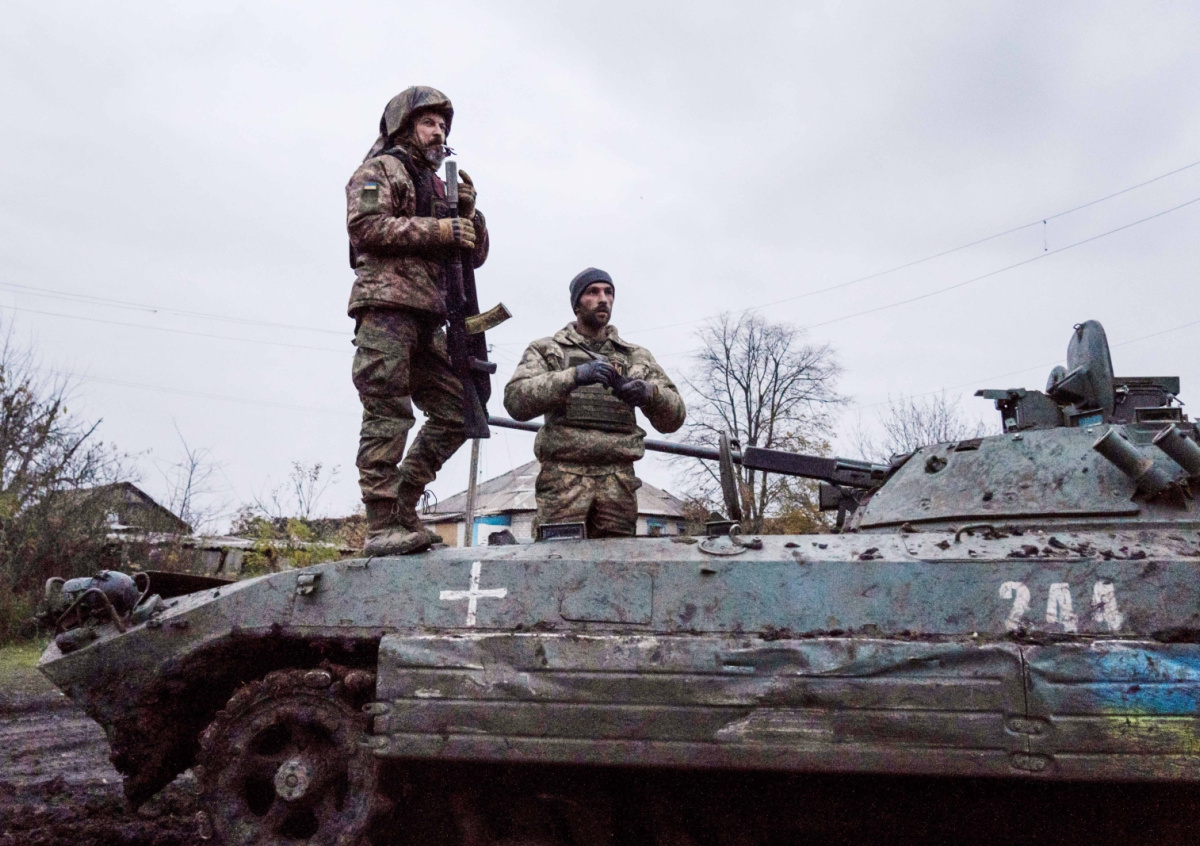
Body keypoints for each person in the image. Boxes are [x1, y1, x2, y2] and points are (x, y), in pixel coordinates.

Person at [346, 86, 489, 555]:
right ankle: (381, 524)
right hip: (386, 310)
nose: (439, 132)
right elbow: (366, 226)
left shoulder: (443, 184)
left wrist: (467, 212)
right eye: (429, 123)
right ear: (404, 126)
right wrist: (442, 227)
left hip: (431, 318)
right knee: (387, 414)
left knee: (460, 410)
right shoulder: (378, 170)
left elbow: (473, 256)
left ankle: (402, 504)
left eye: (443, 126)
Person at [503, 268, 686, 537]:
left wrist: (650, 393)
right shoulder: (548, 350)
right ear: (576, 304)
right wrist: (574, 376)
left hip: (618, 483)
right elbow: (516, 401)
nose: (603, 299)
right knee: (558, 558)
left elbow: (674, 418)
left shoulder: (635, 356)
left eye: (609, 292)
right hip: (563, 481)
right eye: (593, 292)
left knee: (616, 560)